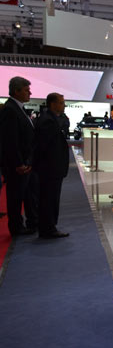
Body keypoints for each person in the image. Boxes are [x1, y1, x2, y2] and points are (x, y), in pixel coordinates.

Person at [0, 76, 38, 236]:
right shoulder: (10, 110)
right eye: (26, 90)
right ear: (16, 91)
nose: (29, 93)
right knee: (15, 196)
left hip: (25, 163)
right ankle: (16, 227)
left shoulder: (18, 109)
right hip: (18, 166)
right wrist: (18, 163)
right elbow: (10, 140)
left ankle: (29, 223)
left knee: (27, 195)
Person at [32, 93, 69, 239]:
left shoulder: (50, 119)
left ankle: (48, 227)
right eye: (61, 103)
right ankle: (48, 228)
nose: (63, 105)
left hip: (52, 167)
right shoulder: (48, 120)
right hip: (50, 168)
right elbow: (45, 146)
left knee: (50, 198)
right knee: (49, 199)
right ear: (53, 104)